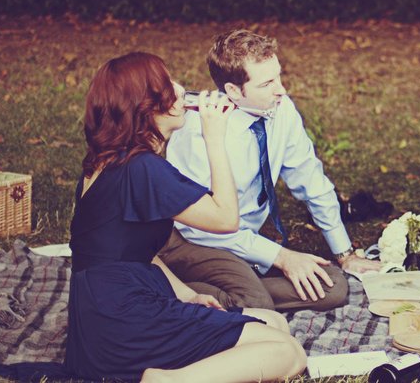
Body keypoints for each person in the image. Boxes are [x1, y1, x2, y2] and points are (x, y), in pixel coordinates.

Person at [67, 52, 305, 381]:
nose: (179, 90)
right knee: (288, 354)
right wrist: (214, 138)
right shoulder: (142, 168)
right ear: (144, 106)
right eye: (166, 86)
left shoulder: (107, 162)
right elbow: (225, 220)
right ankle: (168, 381)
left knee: (274, 322)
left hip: (100, 319)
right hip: (123, 321)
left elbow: (134, 253)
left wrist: (187, 294)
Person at [159, 30, 380, 313]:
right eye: (267, 83)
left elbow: (309, 178)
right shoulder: (197, 133)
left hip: (244, 240)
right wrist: (282, 257)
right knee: (256, 301)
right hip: (195, 242)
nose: (282, 89)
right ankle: (180, 291)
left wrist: (344, 253)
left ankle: (236, 291)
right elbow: (200, 227)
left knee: (333, 286)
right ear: (234, 91)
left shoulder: (281, 108)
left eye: (278, 76)